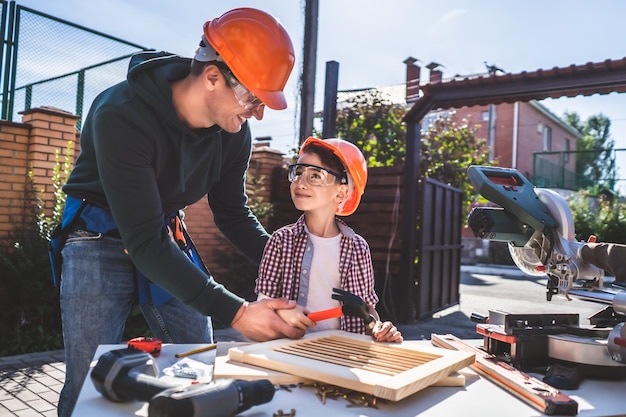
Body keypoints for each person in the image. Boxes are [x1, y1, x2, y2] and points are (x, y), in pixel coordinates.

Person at [52, 8, 305, 417]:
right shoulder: (121, 112)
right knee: (88, 382)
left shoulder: (233, 133)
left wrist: (290, 264)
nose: (258, 113)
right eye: (253, 98)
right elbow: (145, 241)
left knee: (198, 357)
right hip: (96, 235)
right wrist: (239, 313)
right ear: (211, 77)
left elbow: (232, 212)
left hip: (162, 235)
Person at [255, 136, 403, 343]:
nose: (301, 182)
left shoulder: (357, 248)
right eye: (298, 173)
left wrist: (378, 328)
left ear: (341, 192)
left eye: (315, 175)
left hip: (345, 353)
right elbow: (264, 303)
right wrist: (282, 313)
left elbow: (367, 310)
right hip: (291, 349)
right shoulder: (281, 241)